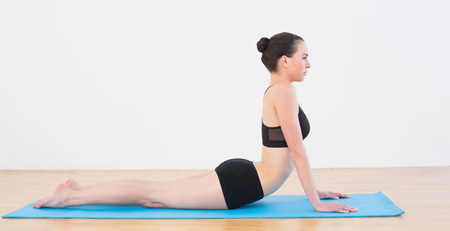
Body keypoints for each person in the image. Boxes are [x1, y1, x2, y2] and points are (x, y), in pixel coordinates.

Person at [33, 32, 358, 214]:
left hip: (245, 175)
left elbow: (290, 155)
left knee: (154, 193)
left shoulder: (278, 89)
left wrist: (316, 190)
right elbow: (298, 153)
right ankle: (70, 198)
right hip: (242, 183)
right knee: (153, 196)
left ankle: (76, 190)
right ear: (285, 61)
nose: (309, 64)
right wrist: (315, 202)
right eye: (304, 57)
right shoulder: (284, 92)